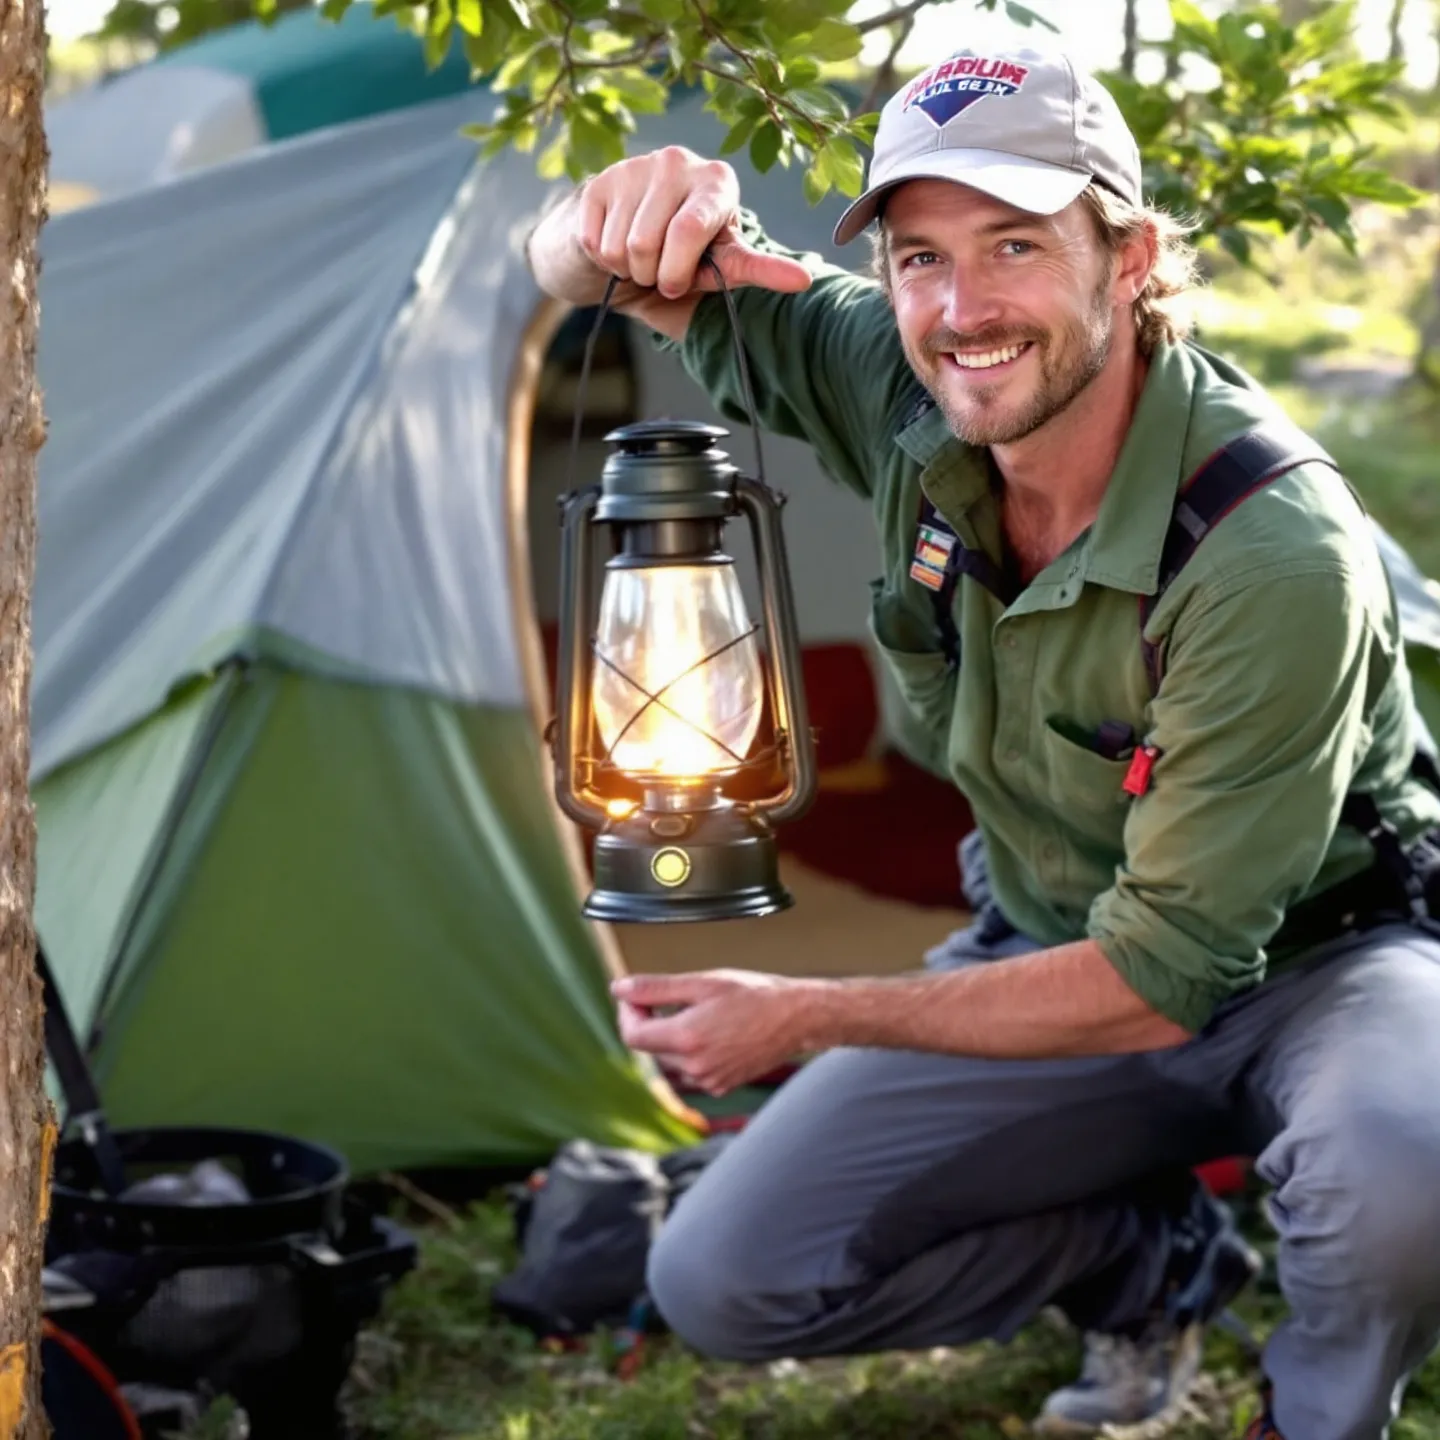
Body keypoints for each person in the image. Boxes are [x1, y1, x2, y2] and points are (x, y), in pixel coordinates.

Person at [526, 43, 1440, 1440]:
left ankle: (1320, 1412)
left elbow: (1163, 976)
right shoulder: (906, 386)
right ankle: (1147, 1270)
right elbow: (585, 272)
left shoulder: (1273, 552)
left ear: (1128, 260)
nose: (962, 310)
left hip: (1322, 964)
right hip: (1043, 942)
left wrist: (807, 1011)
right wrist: (609, 215)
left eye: (1015, 244)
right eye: (921, 257)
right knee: (723, 1277)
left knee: (1402, 1171)